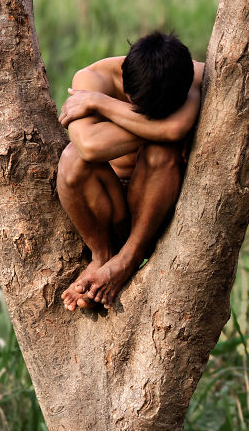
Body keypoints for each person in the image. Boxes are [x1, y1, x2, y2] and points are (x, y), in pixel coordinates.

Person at [57, 31, 203, 311]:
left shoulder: (192, 75)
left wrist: (100, 103)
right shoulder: (91, 79)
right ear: (126, 85)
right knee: (72, 158)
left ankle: (127, 260)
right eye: (140, 109)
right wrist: (161, 130)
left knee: (162, 150)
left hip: (154, 214)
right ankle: (102, 257)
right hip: (106, 210)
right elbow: (89, 147)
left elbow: (173, 129)